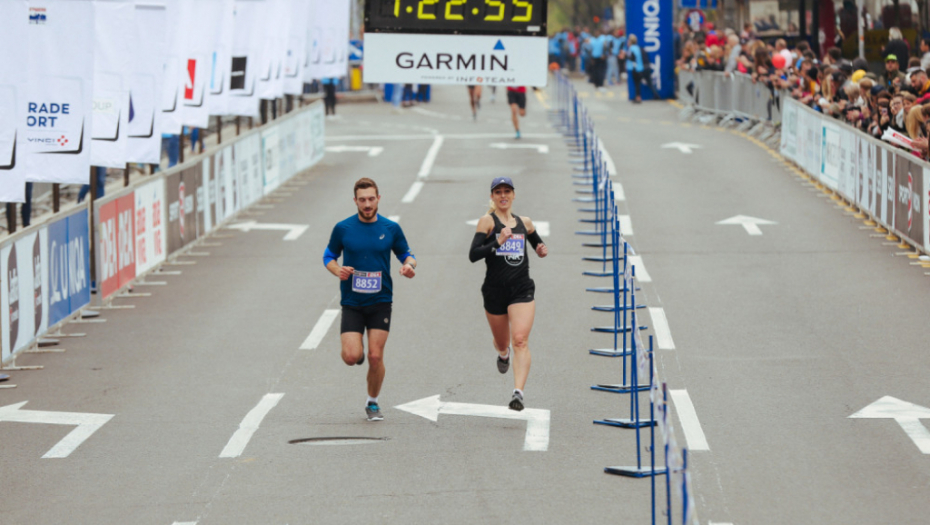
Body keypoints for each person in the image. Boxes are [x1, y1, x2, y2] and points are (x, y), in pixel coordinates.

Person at [323, 177, 417, 421]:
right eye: (362, 200)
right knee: (351, 357)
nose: (367, 204)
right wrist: (338, 270)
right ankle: (358, 353)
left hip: (380, 301)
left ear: (378, 199)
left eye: (371, 199)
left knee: (376, 356)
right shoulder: (343, 228)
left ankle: (372, 402)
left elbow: (407, 254)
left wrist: (409, 266)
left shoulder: (390, 228)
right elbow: (328, 256)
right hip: (352, 303)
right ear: (355, 201)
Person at [468, 177, 548, 411]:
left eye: (507, 191)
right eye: (498, 192)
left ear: (513, 195)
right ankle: (503, 354)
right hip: (494, 291)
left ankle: (518, 393)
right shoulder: (487, 222)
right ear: (492, 197)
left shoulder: (525, 222)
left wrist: (541, 249)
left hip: (521, 289)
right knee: (503, 342)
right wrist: (498, 242)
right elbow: (473, 255)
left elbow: (538, 244)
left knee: (520, 340)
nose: (503, 196)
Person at [626, 35, 660, 102]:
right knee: (649, 83)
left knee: (637, 84)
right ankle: (656, 95)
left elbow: (633, 58)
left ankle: (638, 97)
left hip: (638, 68)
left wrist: (625, 56)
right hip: (644, 67)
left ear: (630, 42)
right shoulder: (639, 48)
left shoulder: (632, 48)